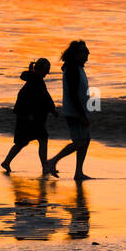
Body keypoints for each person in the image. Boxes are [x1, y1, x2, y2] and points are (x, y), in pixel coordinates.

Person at [0, 58, 58, 174]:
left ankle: (7, 161)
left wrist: (52, 109)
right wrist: (51, 110)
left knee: (23, 142)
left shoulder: (36, 79)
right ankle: (45, 166)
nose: (47, 73)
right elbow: (38, 99)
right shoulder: (34, 80)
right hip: (29, 117)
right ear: (40, 69)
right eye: (46, 70)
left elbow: (45, 97)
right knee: (40, 139)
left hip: (29, 117)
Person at [48, 40, 92, 180]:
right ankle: (53, 161)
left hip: (79, 110)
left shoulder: (77, 67)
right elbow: (73, 94)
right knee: (80, 141)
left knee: (85, 140)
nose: (87, 54)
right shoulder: (72, 69)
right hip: (74, 112)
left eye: (87, 52)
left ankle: (78, 172)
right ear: (75, 54)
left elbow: (81, 91)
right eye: (83, 52)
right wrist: (81, 114)